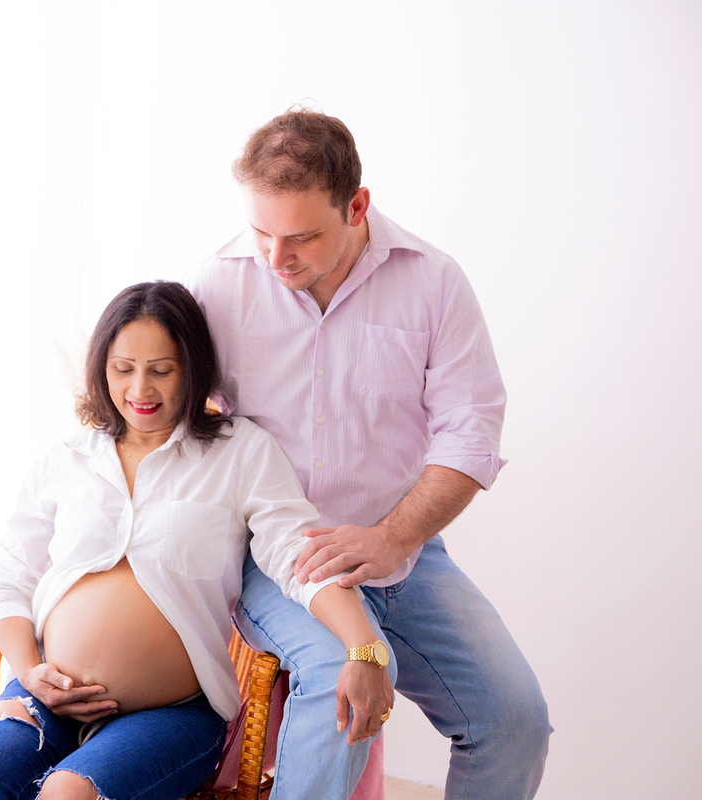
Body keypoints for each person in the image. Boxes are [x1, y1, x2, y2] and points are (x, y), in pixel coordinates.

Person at [185, 109, 552, 800]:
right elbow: (177, 422)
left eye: (300, 236)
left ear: (358, 206)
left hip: (405, 554)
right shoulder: (217, 283)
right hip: (282, 559)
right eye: (261, 231)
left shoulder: (434, 281)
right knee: (335, 691)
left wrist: (393, 539)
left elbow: (470, 433)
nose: (275, 257)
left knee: (515, 722)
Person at [0, 281, 397, 800]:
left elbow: (298, 555)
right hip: (48, 698)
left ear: (192, 368)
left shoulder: (239, 451)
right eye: (123, 369)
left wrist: (366, 647)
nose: (141, 389)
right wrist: (31, 672)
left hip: (173, 714)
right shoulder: (66, 459)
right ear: (101, 368)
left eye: (161, 370)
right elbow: (7, 576)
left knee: (68, 793)